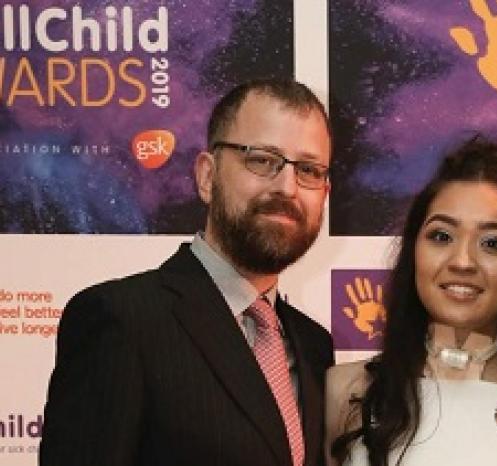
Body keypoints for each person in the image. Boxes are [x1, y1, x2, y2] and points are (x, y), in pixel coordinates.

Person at [40, 78, 335, 466]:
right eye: (262, 160)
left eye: (309, 170)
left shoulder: (315, 346)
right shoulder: (121, 320)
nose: (287, 187)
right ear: (207, 176)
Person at [325, 135, 497, 466]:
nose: (462, 262)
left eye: (493, 243)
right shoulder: (345, 389)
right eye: (441, 236)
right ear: (413, 255)